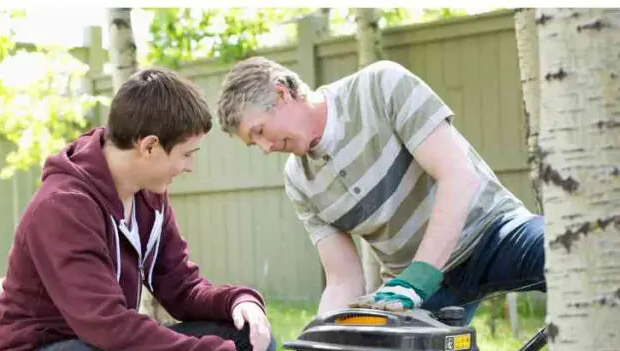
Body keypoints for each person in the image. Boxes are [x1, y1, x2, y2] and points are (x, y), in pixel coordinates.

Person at [0, 67, 277, 351]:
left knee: (250, 343)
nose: (190, 166)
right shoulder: (64, 205)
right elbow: (109, 327)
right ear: (149, 146)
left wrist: (240, 300)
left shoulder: (147, 192)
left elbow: (179, 285)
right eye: (186, 154)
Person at [215, 57, 545, 323]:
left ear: (282, 94)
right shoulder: (299, 180)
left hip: (494, 233)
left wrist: (421, 276)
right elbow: (343, 279)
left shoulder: (380, 86)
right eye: (252, 143)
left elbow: (458, 176)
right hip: (410, 286)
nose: (264, 147)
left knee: (575, 255)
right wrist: (320, 344)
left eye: (259, 131)